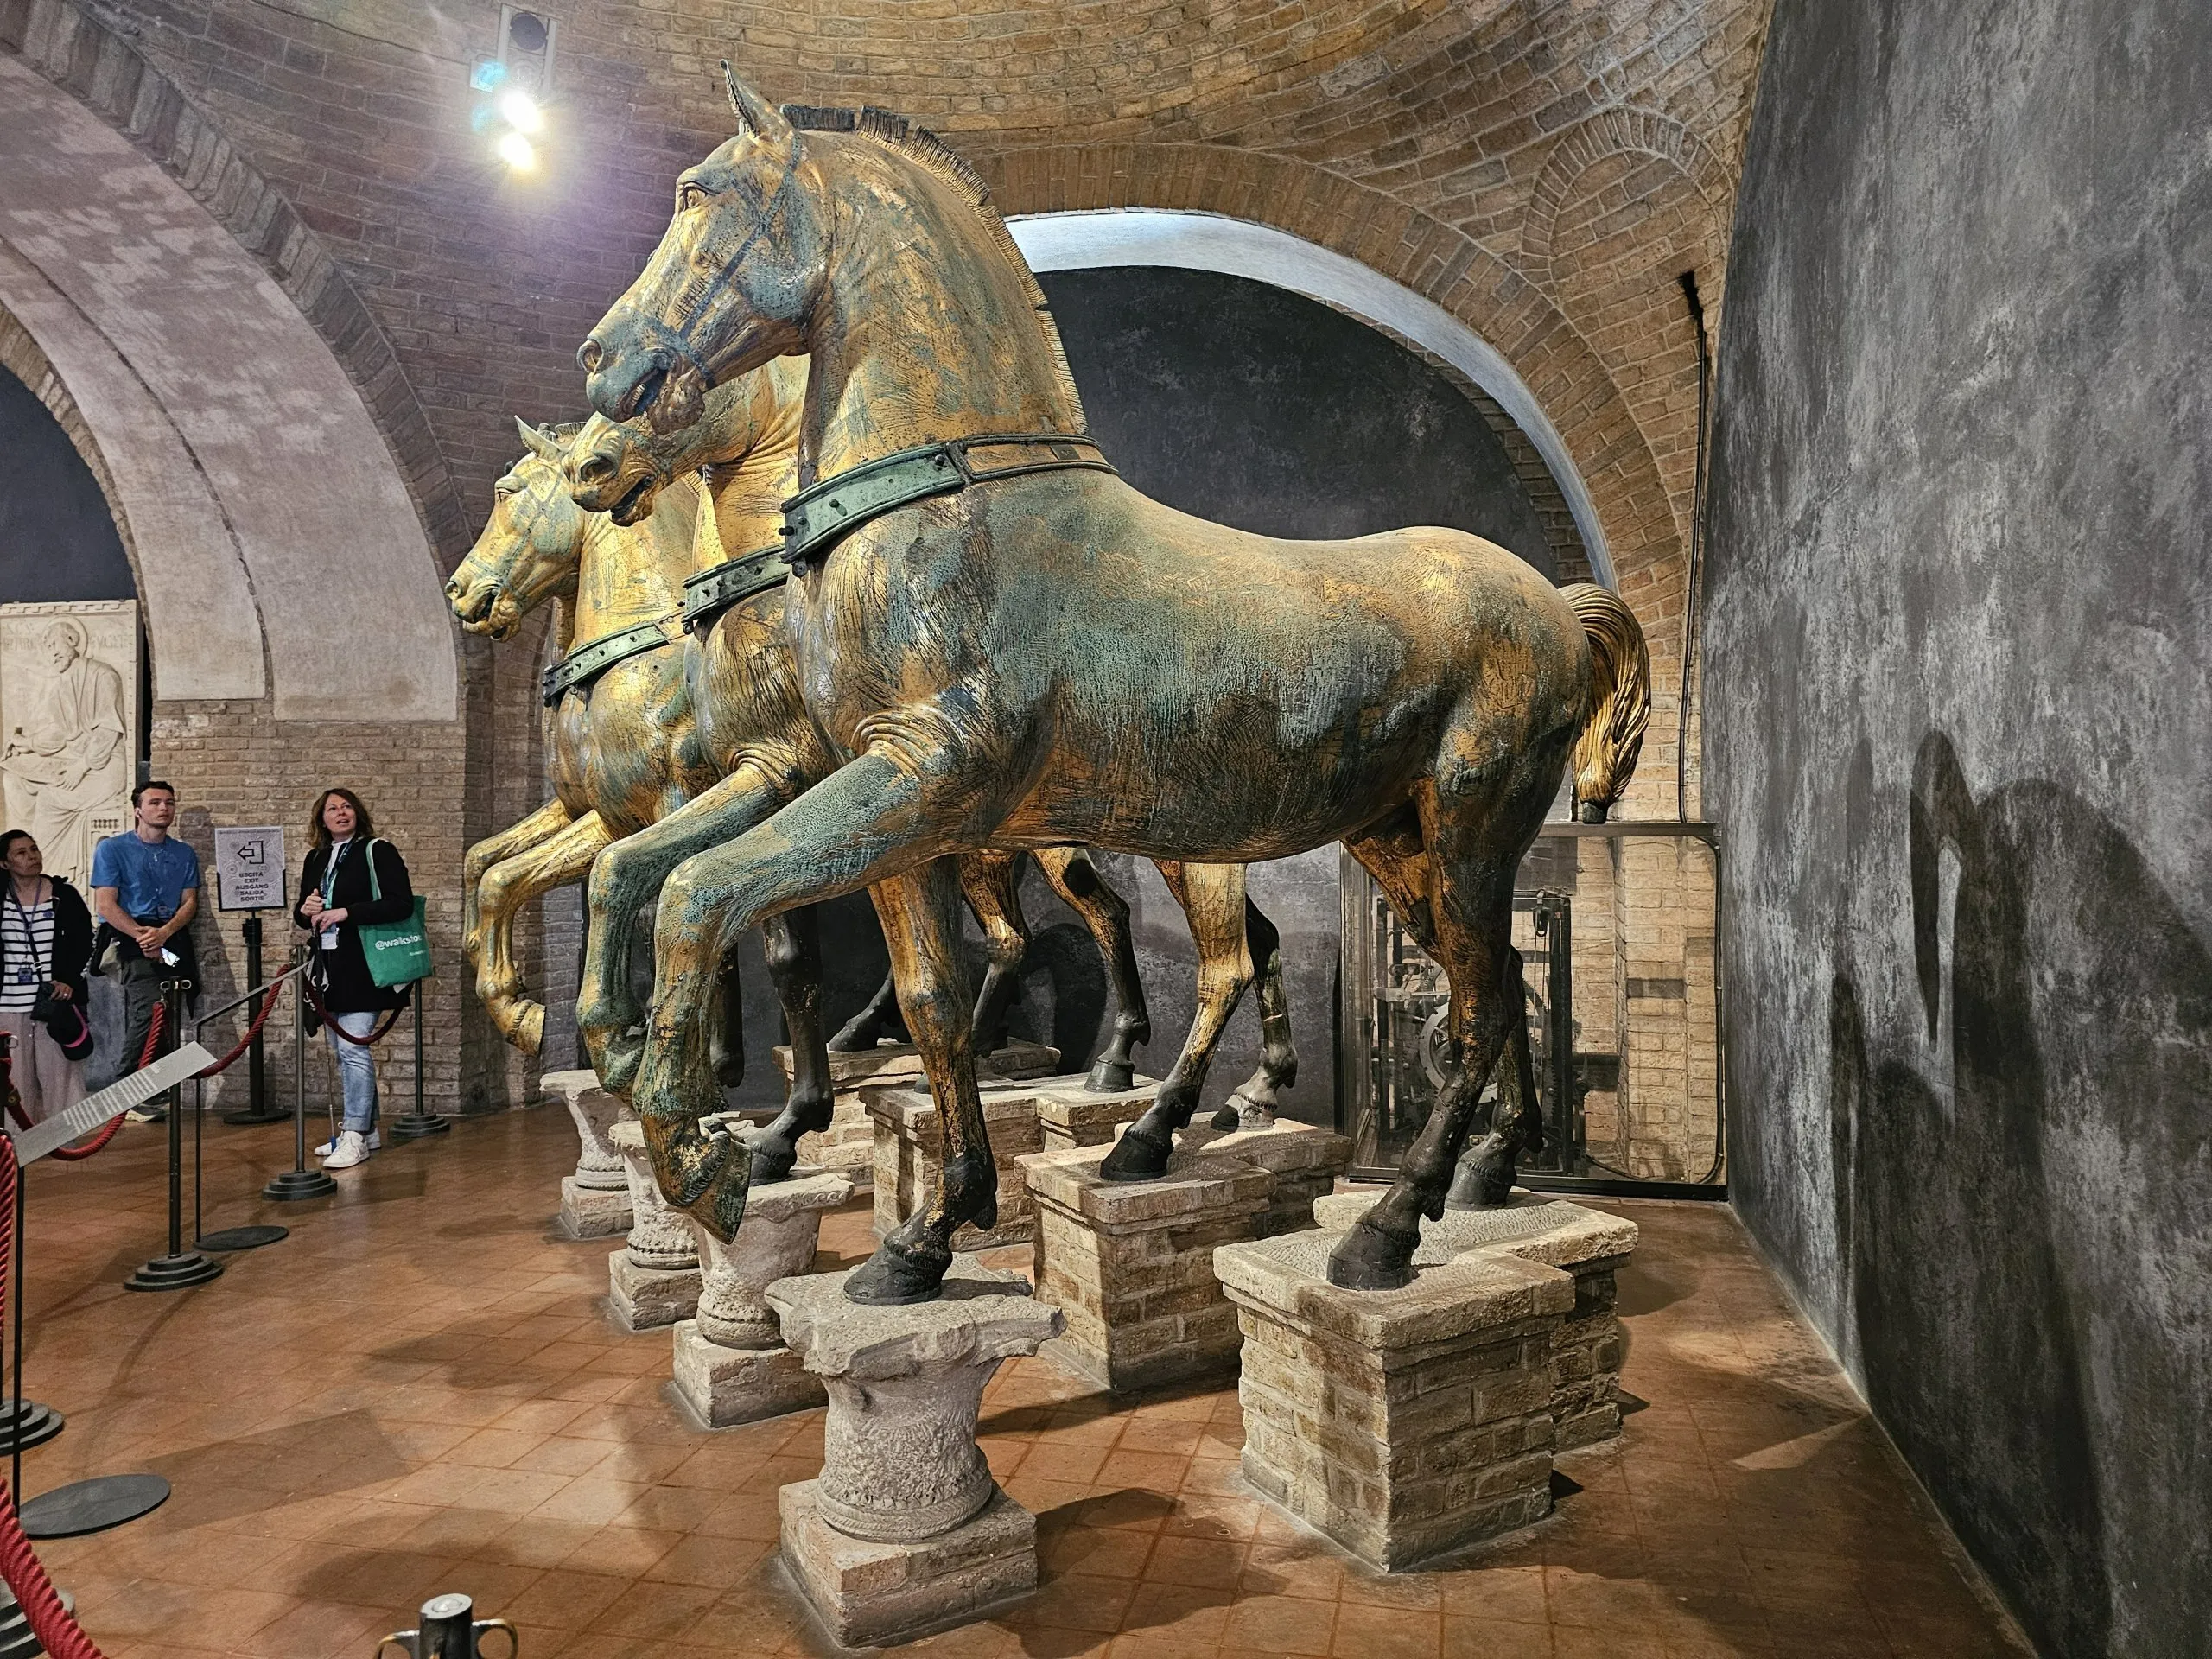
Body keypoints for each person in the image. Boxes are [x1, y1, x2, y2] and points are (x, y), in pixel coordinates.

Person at [294, 788, 413, 1171]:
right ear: (322, 819)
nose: (340, 813)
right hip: (330, 968)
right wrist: (306, 908)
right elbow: (304, 915)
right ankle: (370, 1130)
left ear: (357, 814)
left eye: (346, 807)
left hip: (365, 965)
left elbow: (401, 903)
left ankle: (355, 1135)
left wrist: (347, 912)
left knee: (352, 1049)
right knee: (343, 1052)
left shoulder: (377, 851)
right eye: (332, 809)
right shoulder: (316, 858)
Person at [90, 781, 200, 1123]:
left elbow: (190, 902)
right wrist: (143, 937)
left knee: (171, 1007)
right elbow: (106, 903)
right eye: (154, 802)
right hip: (130, 937)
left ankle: (156, 1087)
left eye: (169, 802)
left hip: (172, 938)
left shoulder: (184, 853)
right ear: (138, 809)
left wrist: (164, 934)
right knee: (149, 1008)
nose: (163, 808)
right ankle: (126, 1089)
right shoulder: (113, 849)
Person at [0, 620, 130, 887]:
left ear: (72, 640)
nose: (51, 653)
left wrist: (81, 766)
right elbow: (59, 734)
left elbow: (108, 731)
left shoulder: (103, 675)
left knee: (50, 796)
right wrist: (29, 744)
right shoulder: (62, 685)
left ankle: (53, 876)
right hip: (73, 759)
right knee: (14, 778)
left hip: (103, 767)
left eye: (55, 644)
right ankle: (19, 853)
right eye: (46, 647)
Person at [0, 830, 93, 1127]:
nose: (32, 857)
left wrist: (68, 980)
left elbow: (83, 941)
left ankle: (66, 1132)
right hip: (8, 1001)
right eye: (21, 853)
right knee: (14, 1074)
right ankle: (18, 1135)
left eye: (34, 849)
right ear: (5, 863)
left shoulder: (62, 895)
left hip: (53, 999)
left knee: (60, 1070)